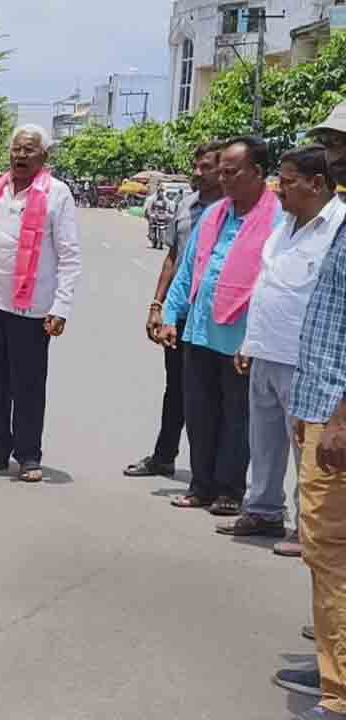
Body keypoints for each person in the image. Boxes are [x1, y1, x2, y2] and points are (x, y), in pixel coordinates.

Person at [221, 147, 343, 540]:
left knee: (305, 449)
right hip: (265, 352)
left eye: (287, 182)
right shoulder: (282, 227)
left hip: (305, 362)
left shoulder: (336, 229)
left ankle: (306, 529)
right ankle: (263, 510)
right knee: (264, 444)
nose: (278, 190)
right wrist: (249, 342)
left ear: (316, 183)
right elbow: (267, 285)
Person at [159, 137, 280, 517]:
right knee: (199, 412)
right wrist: (169, 314)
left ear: (257, 172)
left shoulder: (277, 219)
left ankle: (229, 490)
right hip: (199, 331)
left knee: (237, 417)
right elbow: (187, 269)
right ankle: (201, 485)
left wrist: (256, 338)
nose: (223, 179)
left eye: (232, 172)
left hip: (241, 338)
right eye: (222, 171)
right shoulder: (214, 214)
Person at [0, 124, 82, 483]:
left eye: (29, 150)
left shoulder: (57, 194)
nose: (20, 156)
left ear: (44, 156)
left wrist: (60, 308)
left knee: (27, 384)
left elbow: (70, 255)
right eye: (16, 149)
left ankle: (28, 455)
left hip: (32, 309)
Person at [278, 102, 346, 720]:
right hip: (322, 402)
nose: (333, 154)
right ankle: (331, 661)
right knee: (323, 548)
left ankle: (340, 689)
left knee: (331, 545)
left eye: (341, 143)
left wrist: (340, 418)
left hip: (339, 413)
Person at [125, 142, 225, 479]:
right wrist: (158, 305)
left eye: (206, 166)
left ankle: (214, 474)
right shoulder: (186, 205)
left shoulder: (234, 211)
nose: (198, 172)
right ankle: (163, 456)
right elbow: (172, 257)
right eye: (196, 165)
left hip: (217, 317)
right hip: (181, 314)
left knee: (216, 395)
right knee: (177, 388)